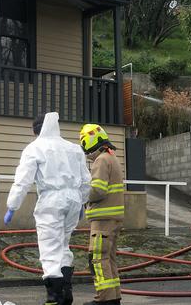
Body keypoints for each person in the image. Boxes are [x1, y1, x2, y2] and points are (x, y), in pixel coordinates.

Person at [4, 112, 91, 305]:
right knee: (63, 244)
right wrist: (82, 203)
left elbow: (22, 181)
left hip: (52, 200)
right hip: (74, 199)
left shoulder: (35, 148)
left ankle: (55, 298)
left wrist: (12, 206)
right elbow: (87, 181)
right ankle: (67, 292)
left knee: (50, 247)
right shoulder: (74, 149)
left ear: (36, 131)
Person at [79, 124, 125, 305]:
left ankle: (103, 299)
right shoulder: (112, 158)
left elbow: (97, 191)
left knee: (97, 259)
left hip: (103, 219)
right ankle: (113, 298)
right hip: (113, 218)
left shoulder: (101, 160)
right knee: (109, 258)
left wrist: (82, 195)